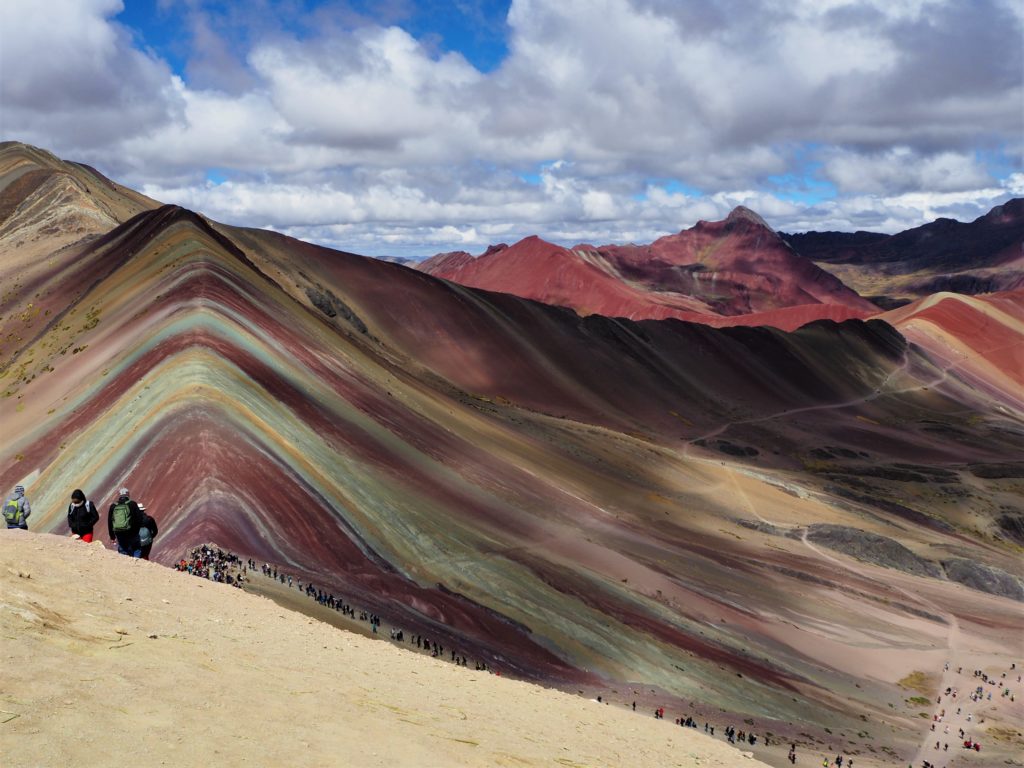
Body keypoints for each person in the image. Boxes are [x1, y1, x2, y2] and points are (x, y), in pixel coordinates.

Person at [108, 487, 143, 557]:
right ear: (128, 495)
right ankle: (136, 564)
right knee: (136, 549)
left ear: (120, 495)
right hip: (132, 532)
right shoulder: (132, 504)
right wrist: (136, 531)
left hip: (119, 532)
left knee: (123, 549)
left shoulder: (113, 506)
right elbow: (139, 518)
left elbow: (110, 521)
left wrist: (112, 536)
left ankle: (125, 565)